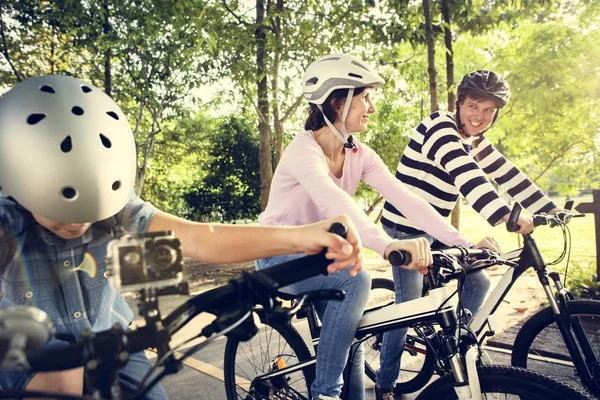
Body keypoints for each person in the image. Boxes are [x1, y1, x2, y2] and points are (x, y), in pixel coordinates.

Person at [0, 75, 363, 399]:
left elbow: (199, 238)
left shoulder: (112, 203)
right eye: (62, 208)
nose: (78, 224)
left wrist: (304, 237)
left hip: (107, 338)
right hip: (23, 350)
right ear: (20, 175)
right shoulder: (7, 222)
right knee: (61, 384)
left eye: (89, 211)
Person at [257, 54, 495, 400]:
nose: (371, 107)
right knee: (358, 278)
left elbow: (409, 200)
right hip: (277, 257)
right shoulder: (302, 151)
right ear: (339, 102)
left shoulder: (359, 154)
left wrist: (464, 243)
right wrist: (387, 246)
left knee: (350, 341)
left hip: (322, 259)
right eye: (365, 97)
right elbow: (337, 205)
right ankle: (324, 395)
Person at [377, 69, 561, 399]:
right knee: (407, 310)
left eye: (489, 110)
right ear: (460, 102)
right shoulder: (439, 128)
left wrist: (552, 209)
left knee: (479, 280)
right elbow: (467, 176)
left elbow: (508, 174)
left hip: (436, 227)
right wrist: (506, 215)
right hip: (404, 229)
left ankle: (455, 345)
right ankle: (386, 385)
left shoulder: (475, 140)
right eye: (474, 106)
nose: (481, 116)